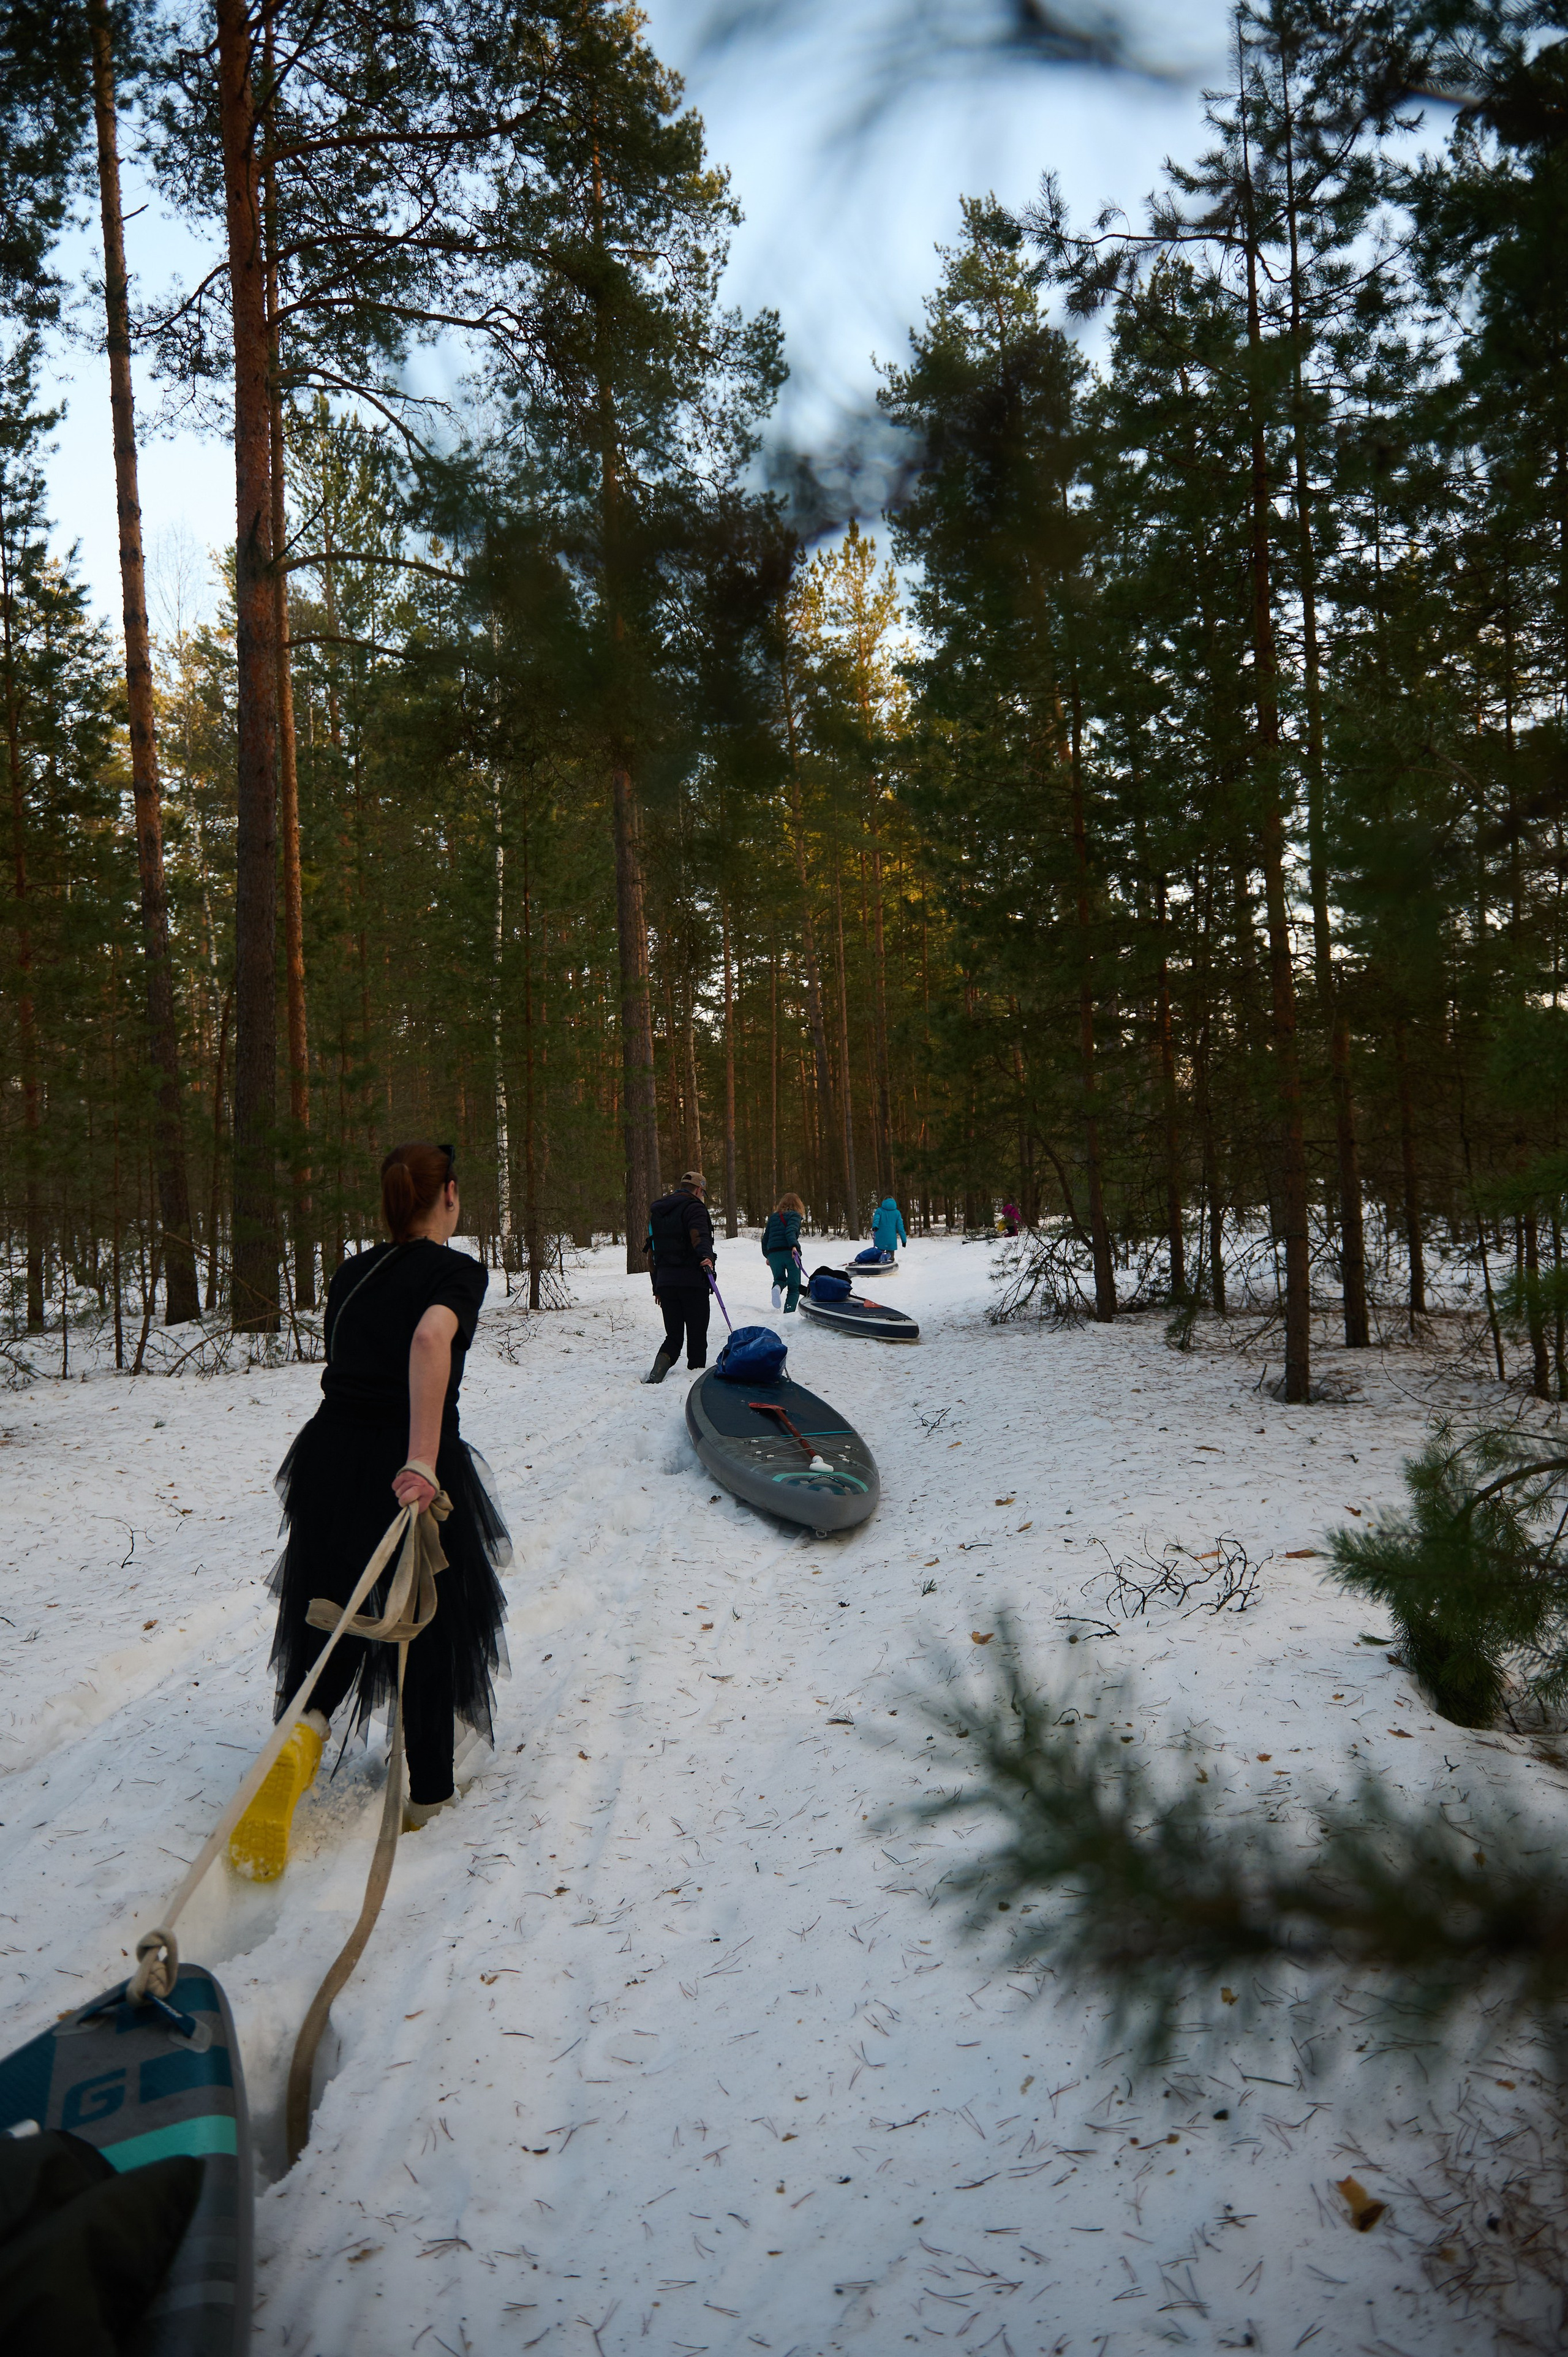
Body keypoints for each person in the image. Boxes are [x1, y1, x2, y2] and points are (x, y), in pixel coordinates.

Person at [229, 1141, 511, 1879]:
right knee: (426, 1615)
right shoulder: (456, 1271)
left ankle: (300, 1737)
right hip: (404, 1460)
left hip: (329, 1454)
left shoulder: (352, 1270)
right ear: (448, 1192)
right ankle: (428, 1793)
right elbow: (428, 1336)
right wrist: (421, 1457)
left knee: (334, 1605)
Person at [643, 1169, 716, 1384]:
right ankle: (694, 1380)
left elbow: (652, 1251)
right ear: (699, 1189)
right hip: (693, 1281)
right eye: (703, 1192)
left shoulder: (659, 1212)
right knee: (697, 1335)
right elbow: (699, 1235)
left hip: (666, 1282)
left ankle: (657, 1374)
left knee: (673, 1336)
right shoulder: (695, 1208)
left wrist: (657, 1285)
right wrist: (706, 1257)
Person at [761, 1191, 805, 1311]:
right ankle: (789, 1312)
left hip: (774, 1254)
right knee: (794, 1287)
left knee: (780, 1279)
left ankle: (777, 1288)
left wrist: (768, 1255)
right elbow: (790, 1232)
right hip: (789, 1253)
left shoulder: (774, 1217)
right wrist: (794, 1247)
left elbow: (766, 1238)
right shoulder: (795, 1216)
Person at [871, 1194, 908, 1258]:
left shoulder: (879, 1211)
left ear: (884, 1201)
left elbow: (876, 1219)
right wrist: (904, 1240)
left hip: (881, 1238)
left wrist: (875, 1226)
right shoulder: (897, 1213)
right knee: (890, 1258)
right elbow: (900, 1228)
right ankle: (891, 1262)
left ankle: (879, 1264)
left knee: (879, 1257)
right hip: (891, 1240)